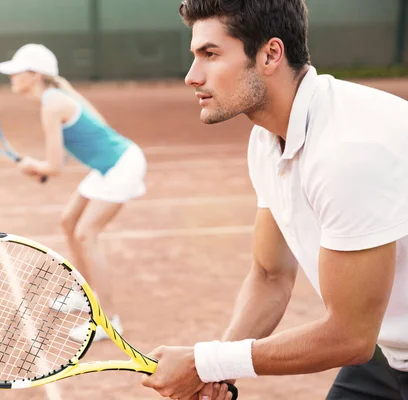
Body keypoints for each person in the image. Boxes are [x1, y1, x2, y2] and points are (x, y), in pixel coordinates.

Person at [140, 1, 408, 399]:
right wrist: (219, 369)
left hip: (366, 343)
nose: (192, 77)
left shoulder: (348, 151)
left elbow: (350, 337)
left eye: (210, 55)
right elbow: (270, 275)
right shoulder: (267, 139)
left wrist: (208, 362)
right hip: (389, 356)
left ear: (270, 54)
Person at [0, 44, 147, 342]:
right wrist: (42, 167)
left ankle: (109, 320)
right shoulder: (53, 100)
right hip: (108, 166)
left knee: (85, 234)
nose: (11, 77)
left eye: (16, 71)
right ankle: (82, 294)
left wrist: (33, 166)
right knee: (68, 221)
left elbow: (54, 167)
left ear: (34, 75)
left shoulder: (52, 105)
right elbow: (64, 154)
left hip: (122, 165)